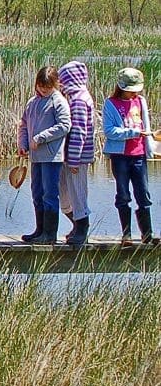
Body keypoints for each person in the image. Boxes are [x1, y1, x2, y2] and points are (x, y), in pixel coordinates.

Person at [17, 65, 72, 245]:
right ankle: (39, 230)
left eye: (47, 86)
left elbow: (65, 125)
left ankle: (50, 234)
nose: (43, 89)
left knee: (50, 194)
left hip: (51, 156)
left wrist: (41, 137)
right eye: (41, 86)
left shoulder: (58, 101)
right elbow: (24, 125)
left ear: (55, 84)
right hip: (35, 157)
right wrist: (23, 144)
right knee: (37, 192)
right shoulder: (32, 102)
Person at [103, 67, 155, 246]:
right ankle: (126, 235)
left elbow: (147, 127)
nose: (133, 93)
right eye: (130, 89)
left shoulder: (140, 101)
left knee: (144, 195)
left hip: (139, 155)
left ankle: (147, 234)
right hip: (120, 156)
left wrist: (151, 146)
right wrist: (133, 132)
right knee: (123, 194)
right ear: (121, 87)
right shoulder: (110, 103)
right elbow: (109, 131)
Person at [58, 61, 97, 247]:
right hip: (70, 156)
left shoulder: (79, 100)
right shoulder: (74, 98)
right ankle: (76, 225)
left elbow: (79, 131)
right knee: (65, 194)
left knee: (77, 192)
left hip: (78, 158)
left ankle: (82, 227)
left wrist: (73, 159)